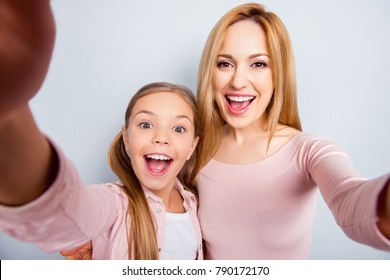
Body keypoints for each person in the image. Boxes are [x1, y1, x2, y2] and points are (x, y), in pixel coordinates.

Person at [66, 2, 390, 260]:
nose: (237, 81)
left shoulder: (308, 151)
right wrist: (106, 246)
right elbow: (169, 229)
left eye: (258, 64)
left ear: (279, 75)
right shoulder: (194, 149)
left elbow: (352, 199)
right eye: (225, 64)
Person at [0, 1, 202, 260]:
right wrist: (8, 114)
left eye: (178, 128)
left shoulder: (193, 204)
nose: (161, 137)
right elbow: (67, 215)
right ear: (126, 139)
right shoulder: (114, 204)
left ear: (192, 147)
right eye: (146, 124)